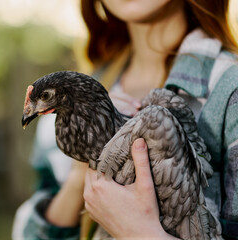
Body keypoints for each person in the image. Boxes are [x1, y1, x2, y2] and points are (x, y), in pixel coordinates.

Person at [12, 0, 238, 239]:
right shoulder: (67, 96)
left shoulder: (229, 92)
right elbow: (27, 233)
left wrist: (142, 233)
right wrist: (80, 176)